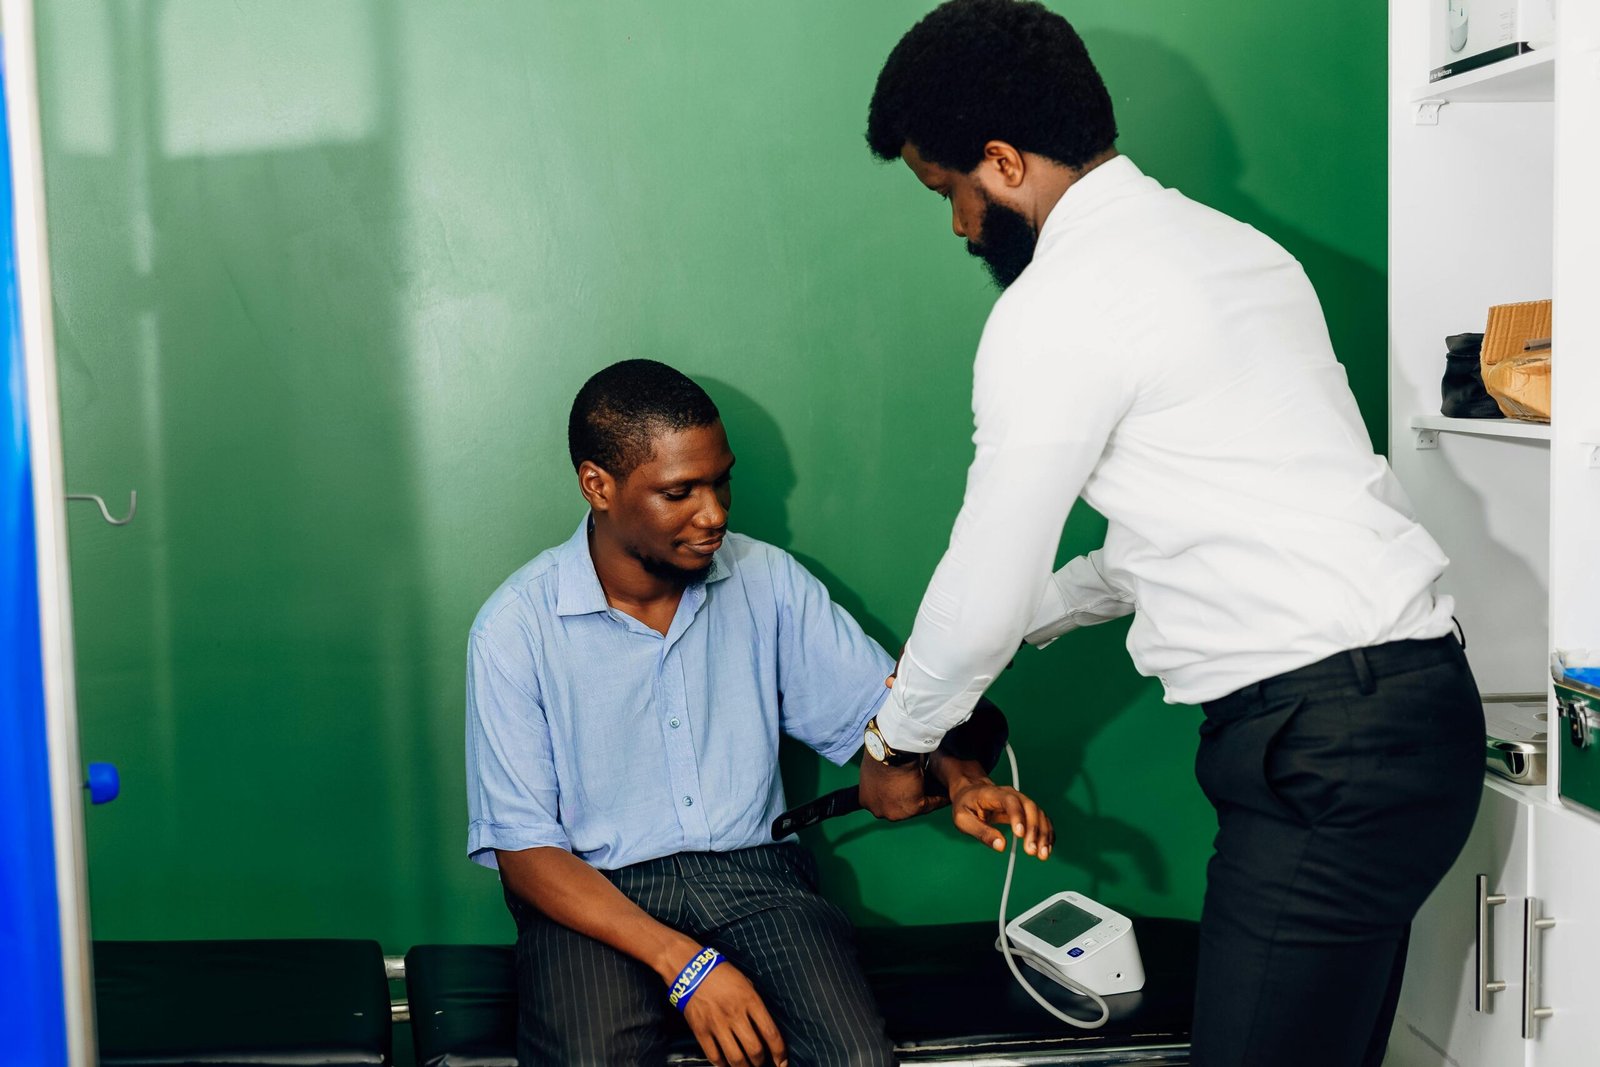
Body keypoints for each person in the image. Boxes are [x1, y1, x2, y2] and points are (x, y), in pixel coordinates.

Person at [856, 3, 1486, 1065]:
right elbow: (1169, 543)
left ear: (1002, 162)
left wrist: (897, 742)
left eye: (949, 191)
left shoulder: (1057, 305)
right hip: (1416, 718)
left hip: (1318, 748)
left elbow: (980, 588)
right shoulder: (1236, 254)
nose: (960, 226)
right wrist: (1036, 624)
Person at [465, 358, 1053, 1067]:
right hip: (595, 893)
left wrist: (961, 779)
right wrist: (686, 966)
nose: (714, 512)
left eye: (721, 481)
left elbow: (887, 720)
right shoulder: (515, 628)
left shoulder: (766, 580)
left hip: (757, 879)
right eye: (680, 491)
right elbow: (524, 852)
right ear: (599, 485)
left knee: (857, 1060)